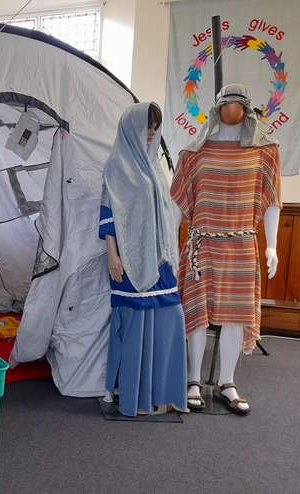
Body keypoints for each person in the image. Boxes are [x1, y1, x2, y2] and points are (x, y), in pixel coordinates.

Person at [170, 83, 281, 415]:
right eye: (226, 103)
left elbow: (273, 200)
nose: (231, 108)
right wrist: (168, 244)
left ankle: (226, 382)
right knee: (197, 316)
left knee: (236, 316)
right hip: (202, 245)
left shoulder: (265, 150)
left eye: (237, 104)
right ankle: (193, 380)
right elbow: (176, 201)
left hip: (243, 244)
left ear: (246, 108)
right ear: (217, 108)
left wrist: (272, 246)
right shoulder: (195, 152)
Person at [99, 102, 187, 417]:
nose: (151, 133)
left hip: (160, 259)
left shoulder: (154, 167)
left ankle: (162, 392)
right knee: (134, 327)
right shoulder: (116, 165)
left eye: (155, 126)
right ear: (131, 127)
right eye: (146, 126)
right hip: (128, 260)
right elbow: (108, 212)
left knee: (169, 317)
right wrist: (112, 255)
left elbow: (164, 214)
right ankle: (131, 394)